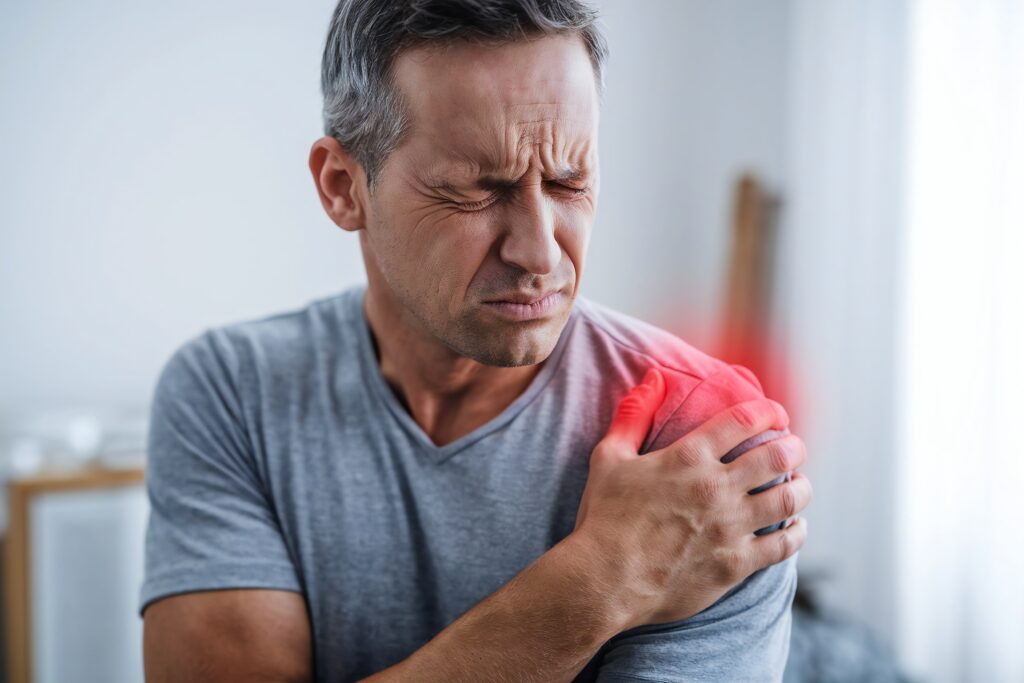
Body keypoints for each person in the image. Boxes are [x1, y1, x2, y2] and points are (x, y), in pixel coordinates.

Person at [139, 1, 812, 681]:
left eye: (568, 178)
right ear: (343, 187)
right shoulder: (232, 394)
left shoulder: (703, 449)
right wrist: (602, 577)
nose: (540, 252)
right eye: (478, 191)